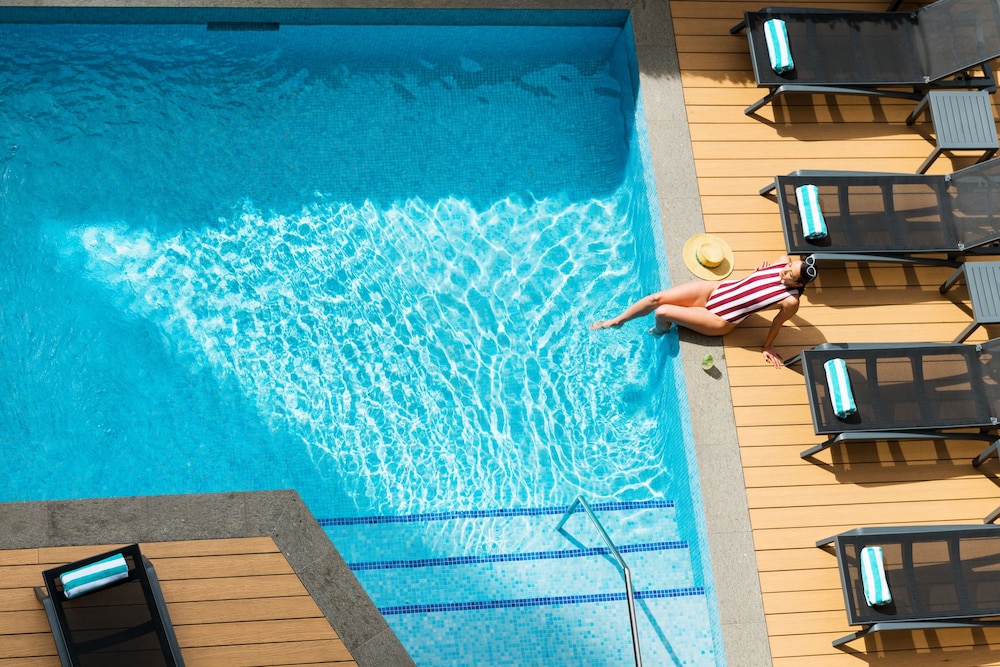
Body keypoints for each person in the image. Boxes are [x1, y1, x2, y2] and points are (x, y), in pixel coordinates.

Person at [590, 255, 817, 368]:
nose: (785, 271)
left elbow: (777, 322)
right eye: (789, 267)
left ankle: (660, 332)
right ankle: (617, 321)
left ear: (798, 284)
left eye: (790, 274)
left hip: (720, 318)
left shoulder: (791, 301)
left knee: (661, 312)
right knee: (655, 299)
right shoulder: (783, 261)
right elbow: (766, 275)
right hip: (715, 291)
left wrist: (767, 346)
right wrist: (761, 272)